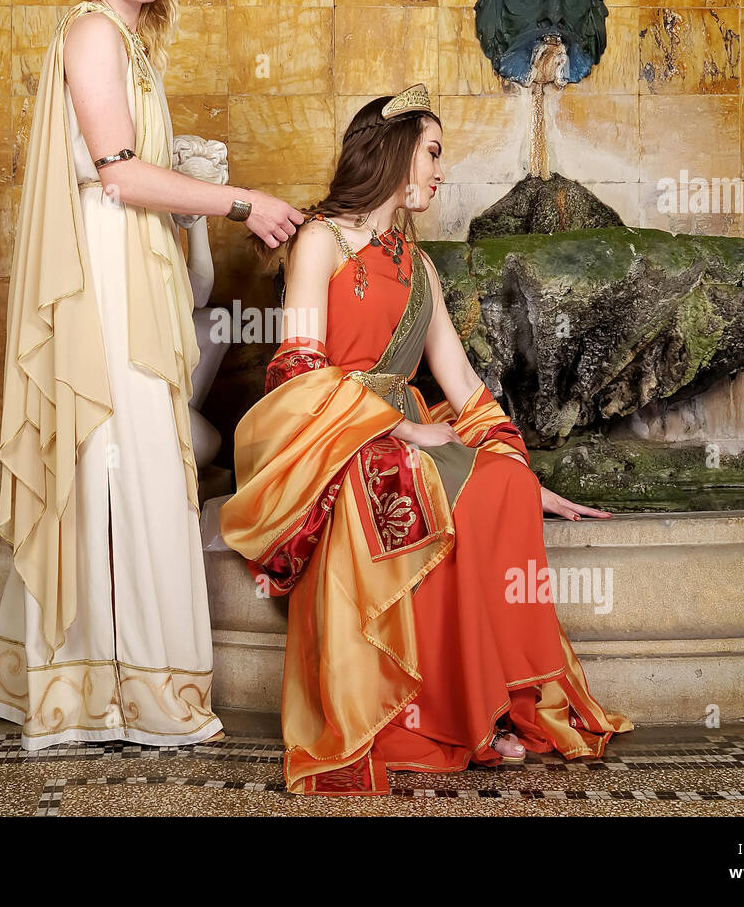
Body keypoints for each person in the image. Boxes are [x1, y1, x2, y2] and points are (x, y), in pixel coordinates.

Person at [219, 83, 633, 794]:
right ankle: (420, 717)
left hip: (407, 428)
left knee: (498, 481)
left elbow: (465, 387)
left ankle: (491, 698)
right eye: (433, 152)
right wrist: (397, 423)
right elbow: (296, 369)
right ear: (395, 152)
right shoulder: (320, 240)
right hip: (335, 433)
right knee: (408, 476)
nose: (441, 171)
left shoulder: (422, 270)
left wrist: (522, 471)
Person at [0, 0, 304, 749]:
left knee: (135, 459)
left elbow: (132, 172)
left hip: (131, 270)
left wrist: (193, 190)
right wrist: (244, 202)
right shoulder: (92, 33)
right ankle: (118, 688)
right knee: (125, 458)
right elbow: (122, 179)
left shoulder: (131, 44)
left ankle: (106, 679)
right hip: (104, 283)